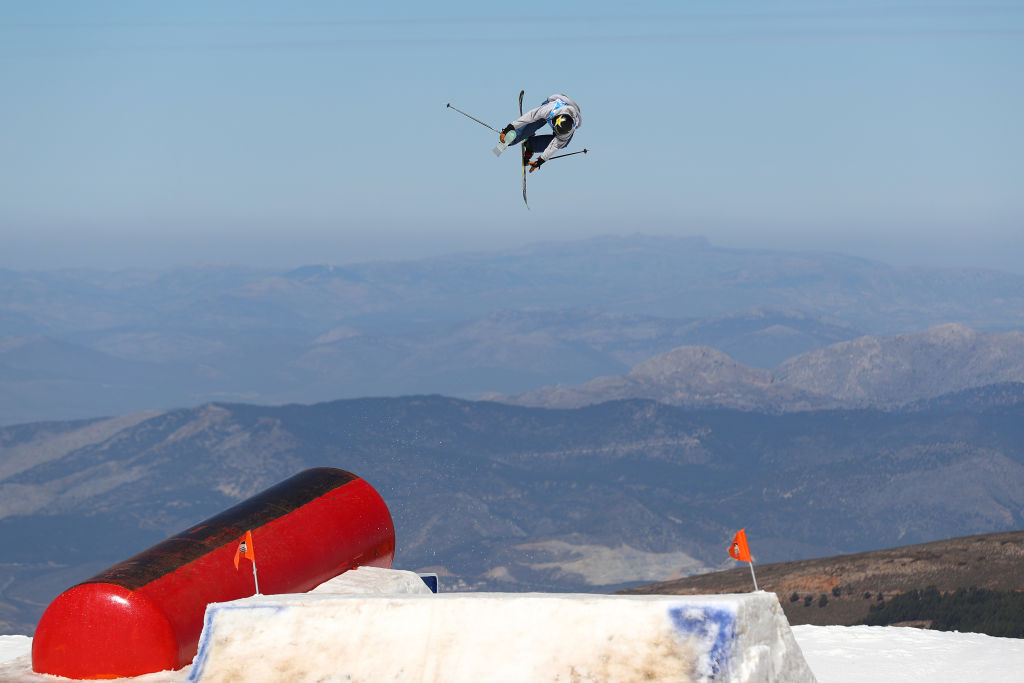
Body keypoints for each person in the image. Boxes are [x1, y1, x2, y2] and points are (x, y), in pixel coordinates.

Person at [499, 94, 581, 172]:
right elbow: (530, 116)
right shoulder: (549, 109)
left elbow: (555, 145)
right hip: (551, 107)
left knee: (563, 143)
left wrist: (541, 160)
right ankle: (515, 137)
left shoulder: (567, 132)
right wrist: (509, 128)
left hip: (567, 119)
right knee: (535, 120)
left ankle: (531, 144)